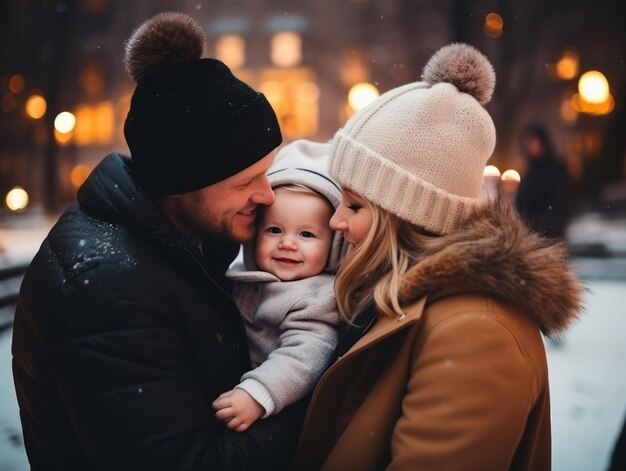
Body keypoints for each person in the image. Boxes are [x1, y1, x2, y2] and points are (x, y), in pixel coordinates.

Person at [12, 12, 304, 470]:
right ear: (185, 180)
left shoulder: (182, 243)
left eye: (267, 172)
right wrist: (325, 395)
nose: (266, 194)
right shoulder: (107, 289)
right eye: (246, 180)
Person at [290, 43, 585, 470]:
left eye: (354, 206)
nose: (335, 222)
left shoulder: (478, 330)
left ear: (405, 216)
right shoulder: (393, 295)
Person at [213, 139, 345, 432]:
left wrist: (257, 395)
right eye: (274, 230)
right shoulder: (240, 275)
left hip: (270, 409)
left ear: (335, 245)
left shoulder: (316, 298)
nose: (287, 243)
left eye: (307, 234)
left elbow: (303, 359)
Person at [515, 121, 575, 240]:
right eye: (528, 142)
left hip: (551, 237)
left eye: (534, 141)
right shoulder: (530, 172)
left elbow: (564, 204)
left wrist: (541, 225)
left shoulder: (556, 170)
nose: (531, 146)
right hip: (530, 236)